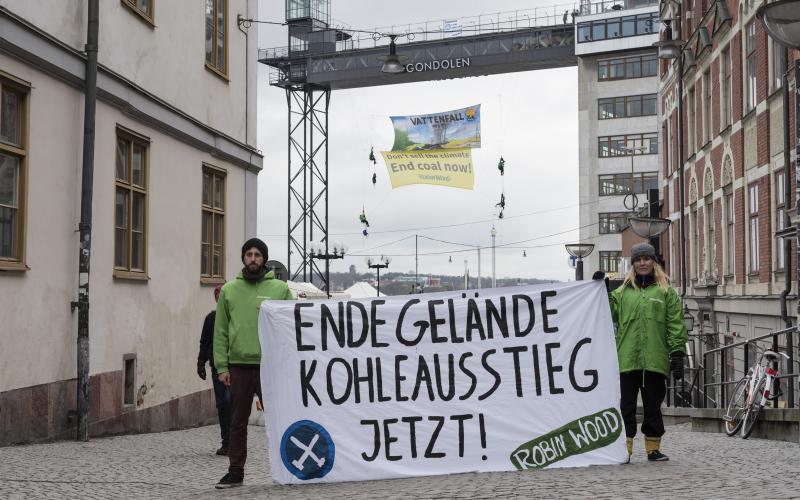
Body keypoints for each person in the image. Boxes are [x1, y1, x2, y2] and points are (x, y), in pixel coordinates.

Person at [213, 238, 293, 489]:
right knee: (237, 422)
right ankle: (235, 472)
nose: (253, 258)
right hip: (239, 366)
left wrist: (289, 362)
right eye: (249, 254)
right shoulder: (229, 291)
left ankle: (290, 468)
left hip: (271, 366)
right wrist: (222, 366)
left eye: (258, 254)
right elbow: (221, 331)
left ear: (264, 259)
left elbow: (292, 326)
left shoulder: (280, 289)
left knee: (280, 419)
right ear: (243, 258)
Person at [609, 242, 687, 462]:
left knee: (653, 406)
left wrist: (677, 352)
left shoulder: (665, 292)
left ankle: (653, 449)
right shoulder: (622, 293)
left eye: (646, 259)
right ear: (633, 264)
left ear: (654, 262)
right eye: (638, 260)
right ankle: (625, 450)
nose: (642, 263)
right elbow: (606, 311)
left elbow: (675, 323)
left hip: (655, 359)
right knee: (626, 407)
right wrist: (600, 289)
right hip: (627, 359)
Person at [197, 284, 229, 456]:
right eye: (218, 297)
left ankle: (236, 441)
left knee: (234, 403)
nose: (220, 299)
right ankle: (226, 442)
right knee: (222, 404)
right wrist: (200, 362)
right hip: (217, 367)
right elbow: (204, 342)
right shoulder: (211, 319)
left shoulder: (234, 317)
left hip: (235, 366)